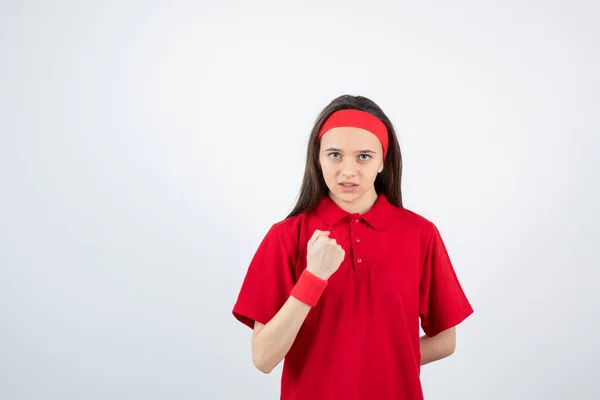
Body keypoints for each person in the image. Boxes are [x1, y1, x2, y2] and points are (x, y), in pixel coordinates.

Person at [232, 94, 474, 399]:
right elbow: (263, 357)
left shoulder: (420, 234)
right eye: (335, 155)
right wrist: (313, 277)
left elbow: (445, 341)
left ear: (382, 161)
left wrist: (371, 364)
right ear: (317, 159)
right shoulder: (286, 236)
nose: (348, 171)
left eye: (363, 156)